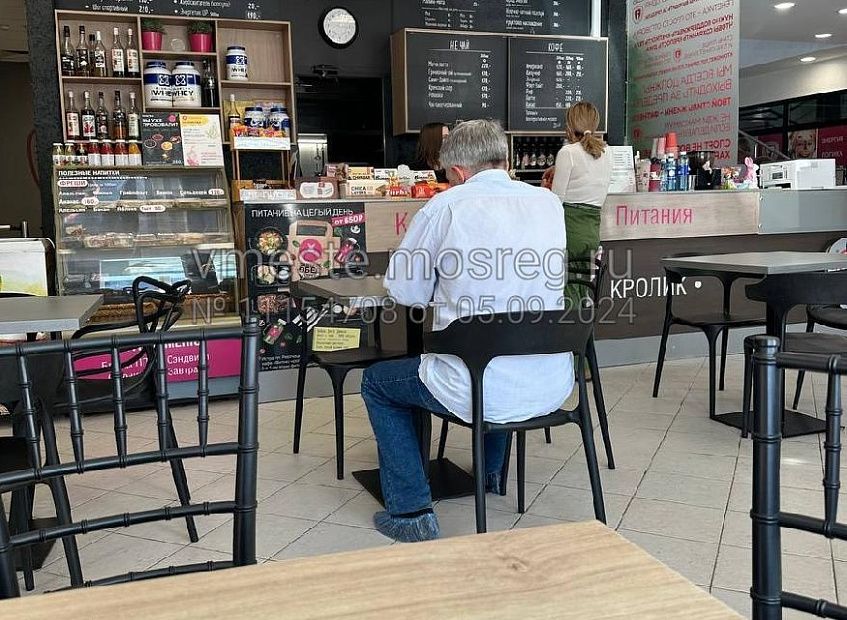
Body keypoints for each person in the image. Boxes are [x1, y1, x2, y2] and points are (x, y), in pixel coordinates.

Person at [361, 119, 573, 543]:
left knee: (378, 384)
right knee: (499, 344)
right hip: (550, 381)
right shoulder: (549, 203)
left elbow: (406, 291)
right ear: (504, 159)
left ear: (457, 172)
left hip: (474, 384)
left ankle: (411, 513)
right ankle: (491, 474)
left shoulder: (445, 207)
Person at [542, 102, 611, 306]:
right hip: (592, 232)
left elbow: (556, 201)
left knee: (568, 289)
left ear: (570, 125)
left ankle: (571, 326)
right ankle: (585, 327)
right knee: (582, 289)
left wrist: (544, 189)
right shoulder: (608, 152)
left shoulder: (568, 153)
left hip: (570, 229)